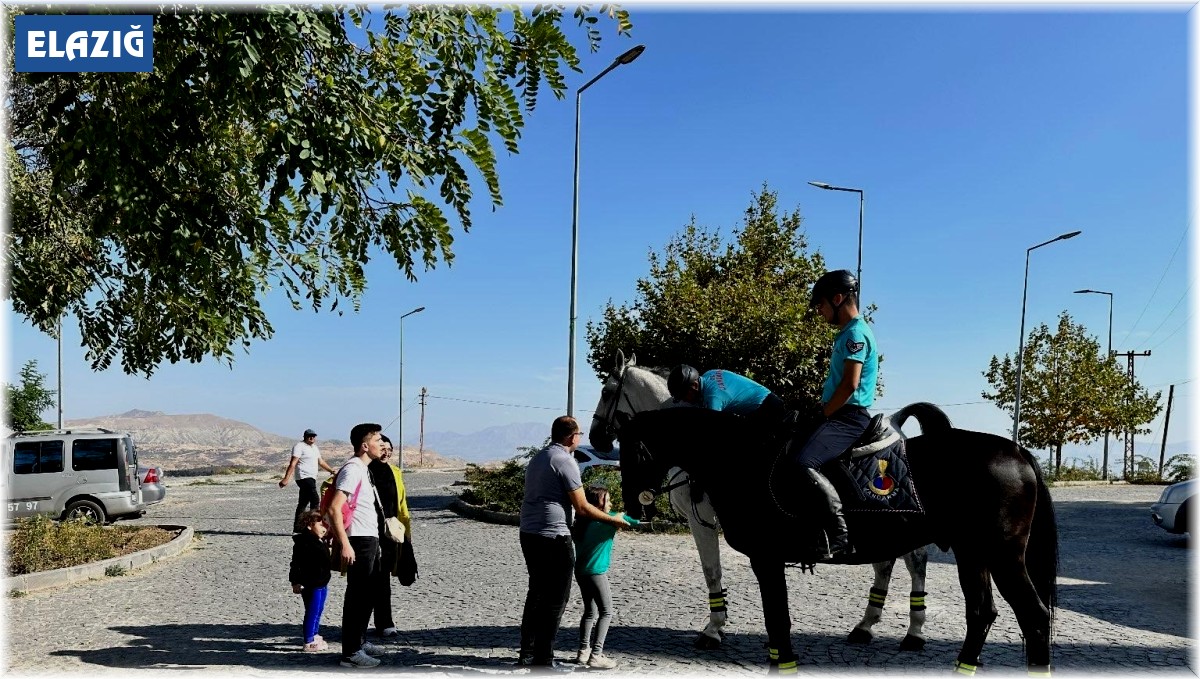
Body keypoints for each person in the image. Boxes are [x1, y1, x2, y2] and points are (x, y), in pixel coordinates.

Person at [518, 416, 632, 668]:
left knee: (536, 593)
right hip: (553, 536)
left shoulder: (539, 457)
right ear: (572, 437)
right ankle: (543, 659)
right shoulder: (565, 461)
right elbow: (582, 507)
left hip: (529, 532)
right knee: (556, 598)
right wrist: (614, 521)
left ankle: (527, 651)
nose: (580, 438)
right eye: (579, 434)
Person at [792, 269, 878, 561]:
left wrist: (823, 412)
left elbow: (850, 384)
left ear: (838, 298)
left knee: (805, 463)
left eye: (821, 305)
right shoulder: (845, 334)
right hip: (839, 414)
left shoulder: (855, 333)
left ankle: (839, 535)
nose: (819, 312)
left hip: (849, 417)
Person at [329, 423, 390, 668]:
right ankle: (350, 653)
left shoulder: (364, 470)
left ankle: (359, 641)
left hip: (369, 539)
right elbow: (334, 507)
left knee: (368, 595)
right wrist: (344, 543)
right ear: (365, 446)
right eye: (377, 439)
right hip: (358, 540)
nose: (382, 444)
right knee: (357, 596)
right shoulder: (353, 469)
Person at [571, 485, 639, 670]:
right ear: (597, 505)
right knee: (606, 612)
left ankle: (583, 651)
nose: (610, 503)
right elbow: (636, 521)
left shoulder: (582, 523)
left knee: (589, 612)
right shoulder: (607, 522)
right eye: (607, 500)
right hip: (596, 572)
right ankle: (596, 655)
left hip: (581, 571)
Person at [368, 434, 413, 640]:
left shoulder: (395, 472)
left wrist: (407, 532)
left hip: (389, 532)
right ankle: (360, 625)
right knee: (366, 580)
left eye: (389, 449)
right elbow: (329, 487)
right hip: (367, 532)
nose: (386, 452)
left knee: (383, 578)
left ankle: (385, 622)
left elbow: (401, 505)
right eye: (382, 448)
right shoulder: (364, 470)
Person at [667, 365, 790, 433]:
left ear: (694, 386)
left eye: (683, 395)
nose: (684, 400)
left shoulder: (714, 398)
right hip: (763, 403)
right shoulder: (709, 373)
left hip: (768, 410)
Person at [289, 510, 333, 652]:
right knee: (312, 611)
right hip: (311, 583)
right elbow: (295, 564)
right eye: (320, 524)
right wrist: (295, 581)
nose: (324, 527)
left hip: (322, 582)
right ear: (309, 525)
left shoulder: (319, 540)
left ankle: (314, 633)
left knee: (319, 610)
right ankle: (308, 640)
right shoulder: (304, 543)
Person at [280, 428, 337, 533]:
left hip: (312, 477)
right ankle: (313, 526)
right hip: (303, 477)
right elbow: (293, 463)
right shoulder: (299, 446)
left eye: (313, 436)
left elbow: (320, 461)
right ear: (305, 436)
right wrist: (286, 478)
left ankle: (298, 528)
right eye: (309, 436)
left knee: (303, 502)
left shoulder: (314, 448)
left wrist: (331, 470)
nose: (312, 438)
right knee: (315, 500)